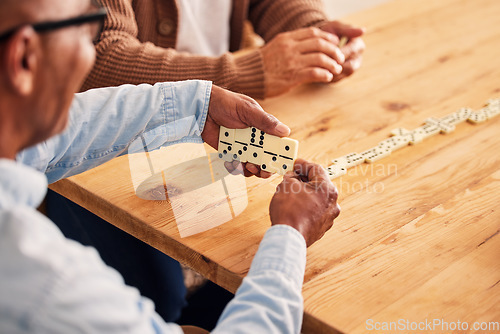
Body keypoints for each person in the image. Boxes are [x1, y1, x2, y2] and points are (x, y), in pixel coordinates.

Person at [0, 1, 341, 333]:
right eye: (84, 29)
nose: (91, 53)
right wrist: (291, 234)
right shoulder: (48, 284)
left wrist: (198, 106)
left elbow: (58, 138)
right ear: (23, 58)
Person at [83, 0, 366, 99]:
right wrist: (248, 73)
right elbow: (98, 60)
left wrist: (313, 37)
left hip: (220, 127)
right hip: (106, 158)